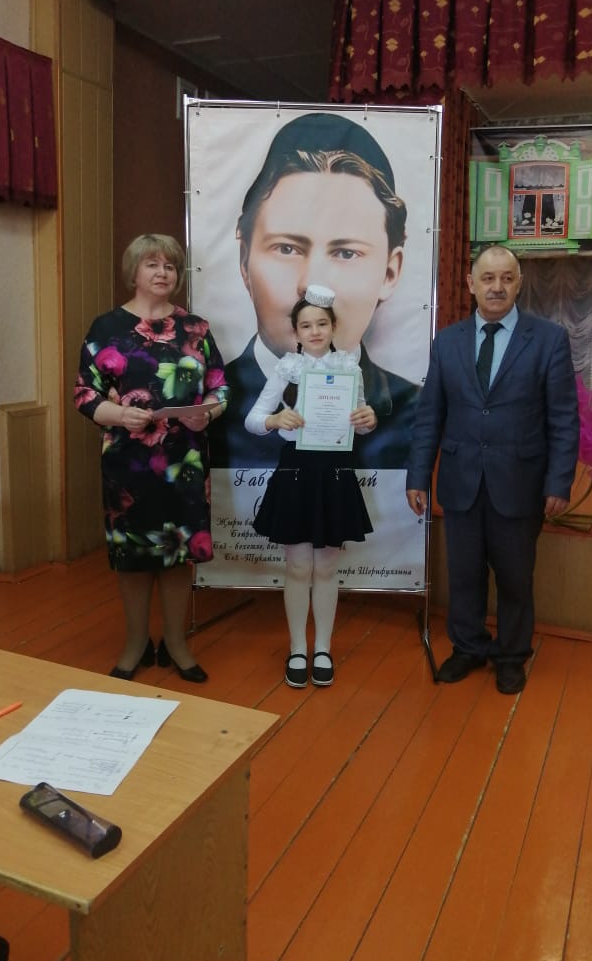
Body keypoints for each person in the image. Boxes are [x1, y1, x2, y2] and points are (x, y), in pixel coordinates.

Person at [405, 244, 579, 694]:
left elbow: (563, 418)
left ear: (519, 283)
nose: (496, 287)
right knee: (464, 575)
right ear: (471, 284)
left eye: (506, 278)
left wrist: (559, 481)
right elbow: (430, 415)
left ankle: (511, 655)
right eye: (487, 278)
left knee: (515, 577)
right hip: (461, 480)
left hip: (520, 483)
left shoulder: (548, 340)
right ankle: (468, 647)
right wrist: (418, 475)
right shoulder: (447, 342)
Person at [209, 111, 419, 471]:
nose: (312, 284)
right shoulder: (216, 403)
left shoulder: (410, 408)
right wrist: (273, 419)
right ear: (244, 260)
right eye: (287, 248)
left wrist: (366, 419)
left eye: (346, 253)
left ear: (389, 272)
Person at [74, 234, 229, 683]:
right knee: (133, 555)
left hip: (185, 462)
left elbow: (219, 387)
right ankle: (136, 643)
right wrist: (121, 415)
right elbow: (84, 394)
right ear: (134, 272)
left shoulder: (196, 328)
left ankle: (176, 644)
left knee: (179, 553)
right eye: (152, 264)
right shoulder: (106, 327)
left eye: (170, 266)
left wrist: (207, 413)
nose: (162, 273)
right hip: (127, 463)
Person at [246, 285, 377, 687]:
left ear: (333, 327)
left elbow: (361, 423)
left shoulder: (350, 368)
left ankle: (323, 647)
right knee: (299, 566)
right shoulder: (287, 369)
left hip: (334, 471)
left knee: (327, 566)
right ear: (297, 332)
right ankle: (297, 648)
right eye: (307, 325)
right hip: (297, 472)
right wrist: (274, 421)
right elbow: (253, 419)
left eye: (322, 324)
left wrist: (368, 419)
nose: (315, 331)